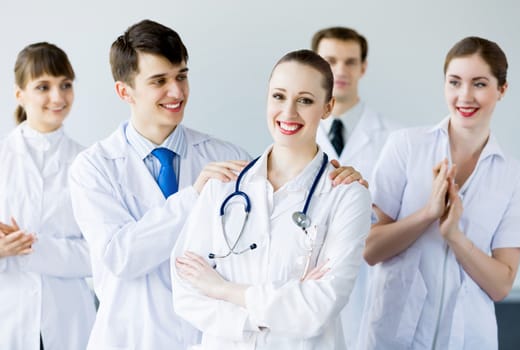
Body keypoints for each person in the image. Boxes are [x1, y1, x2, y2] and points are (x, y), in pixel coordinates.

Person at [68, 20, 363, 349]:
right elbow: (119, 257)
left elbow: (279, 211)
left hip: (218, 338)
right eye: (159, 81)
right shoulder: (94, 166)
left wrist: (337, 176)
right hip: (135, 338)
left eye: (182, 76)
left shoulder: (228, 158)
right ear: (125, 91)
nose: (177, 92)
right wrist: (193, 196)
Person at [171, 49, 372, 349]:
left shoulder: (346, 196)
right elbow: (187, 293)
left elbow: (320, 306)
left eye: (304, 100)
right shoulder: (223, 188)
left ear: (327, 107)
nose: (288, 113)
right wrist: (268, 315)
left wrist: (223, 289)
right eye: (279, 96)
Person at [359, 36, 520, 349]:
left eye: (479, 83)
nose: (465, 95)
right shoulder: (406, 146)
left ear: (501, 90)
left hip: (469, 339)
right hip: (394, 336)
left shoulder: (513, 176)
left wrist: (454, 236)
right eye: (455, 82)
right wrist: (428, 214)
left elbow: (501, 285)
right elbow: (369, 249)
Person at [0, 42, 96, 350]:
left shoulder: (89, 163)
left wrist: (33, 248)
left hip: (68, 319)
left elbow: (100, 253)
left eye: (65, 85)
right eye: (43, 86)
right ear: (20, 94)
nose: (58, 97)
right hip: (9, 317)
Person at [311, 26, 398, 347]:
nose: (340, 70)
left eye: (350, 61)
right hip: (310, 289)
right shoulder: (293, 137)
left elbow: (397, 223)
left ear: (363, 67)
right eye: (330, 60)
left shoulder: (394, 139)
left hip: (372, 286)